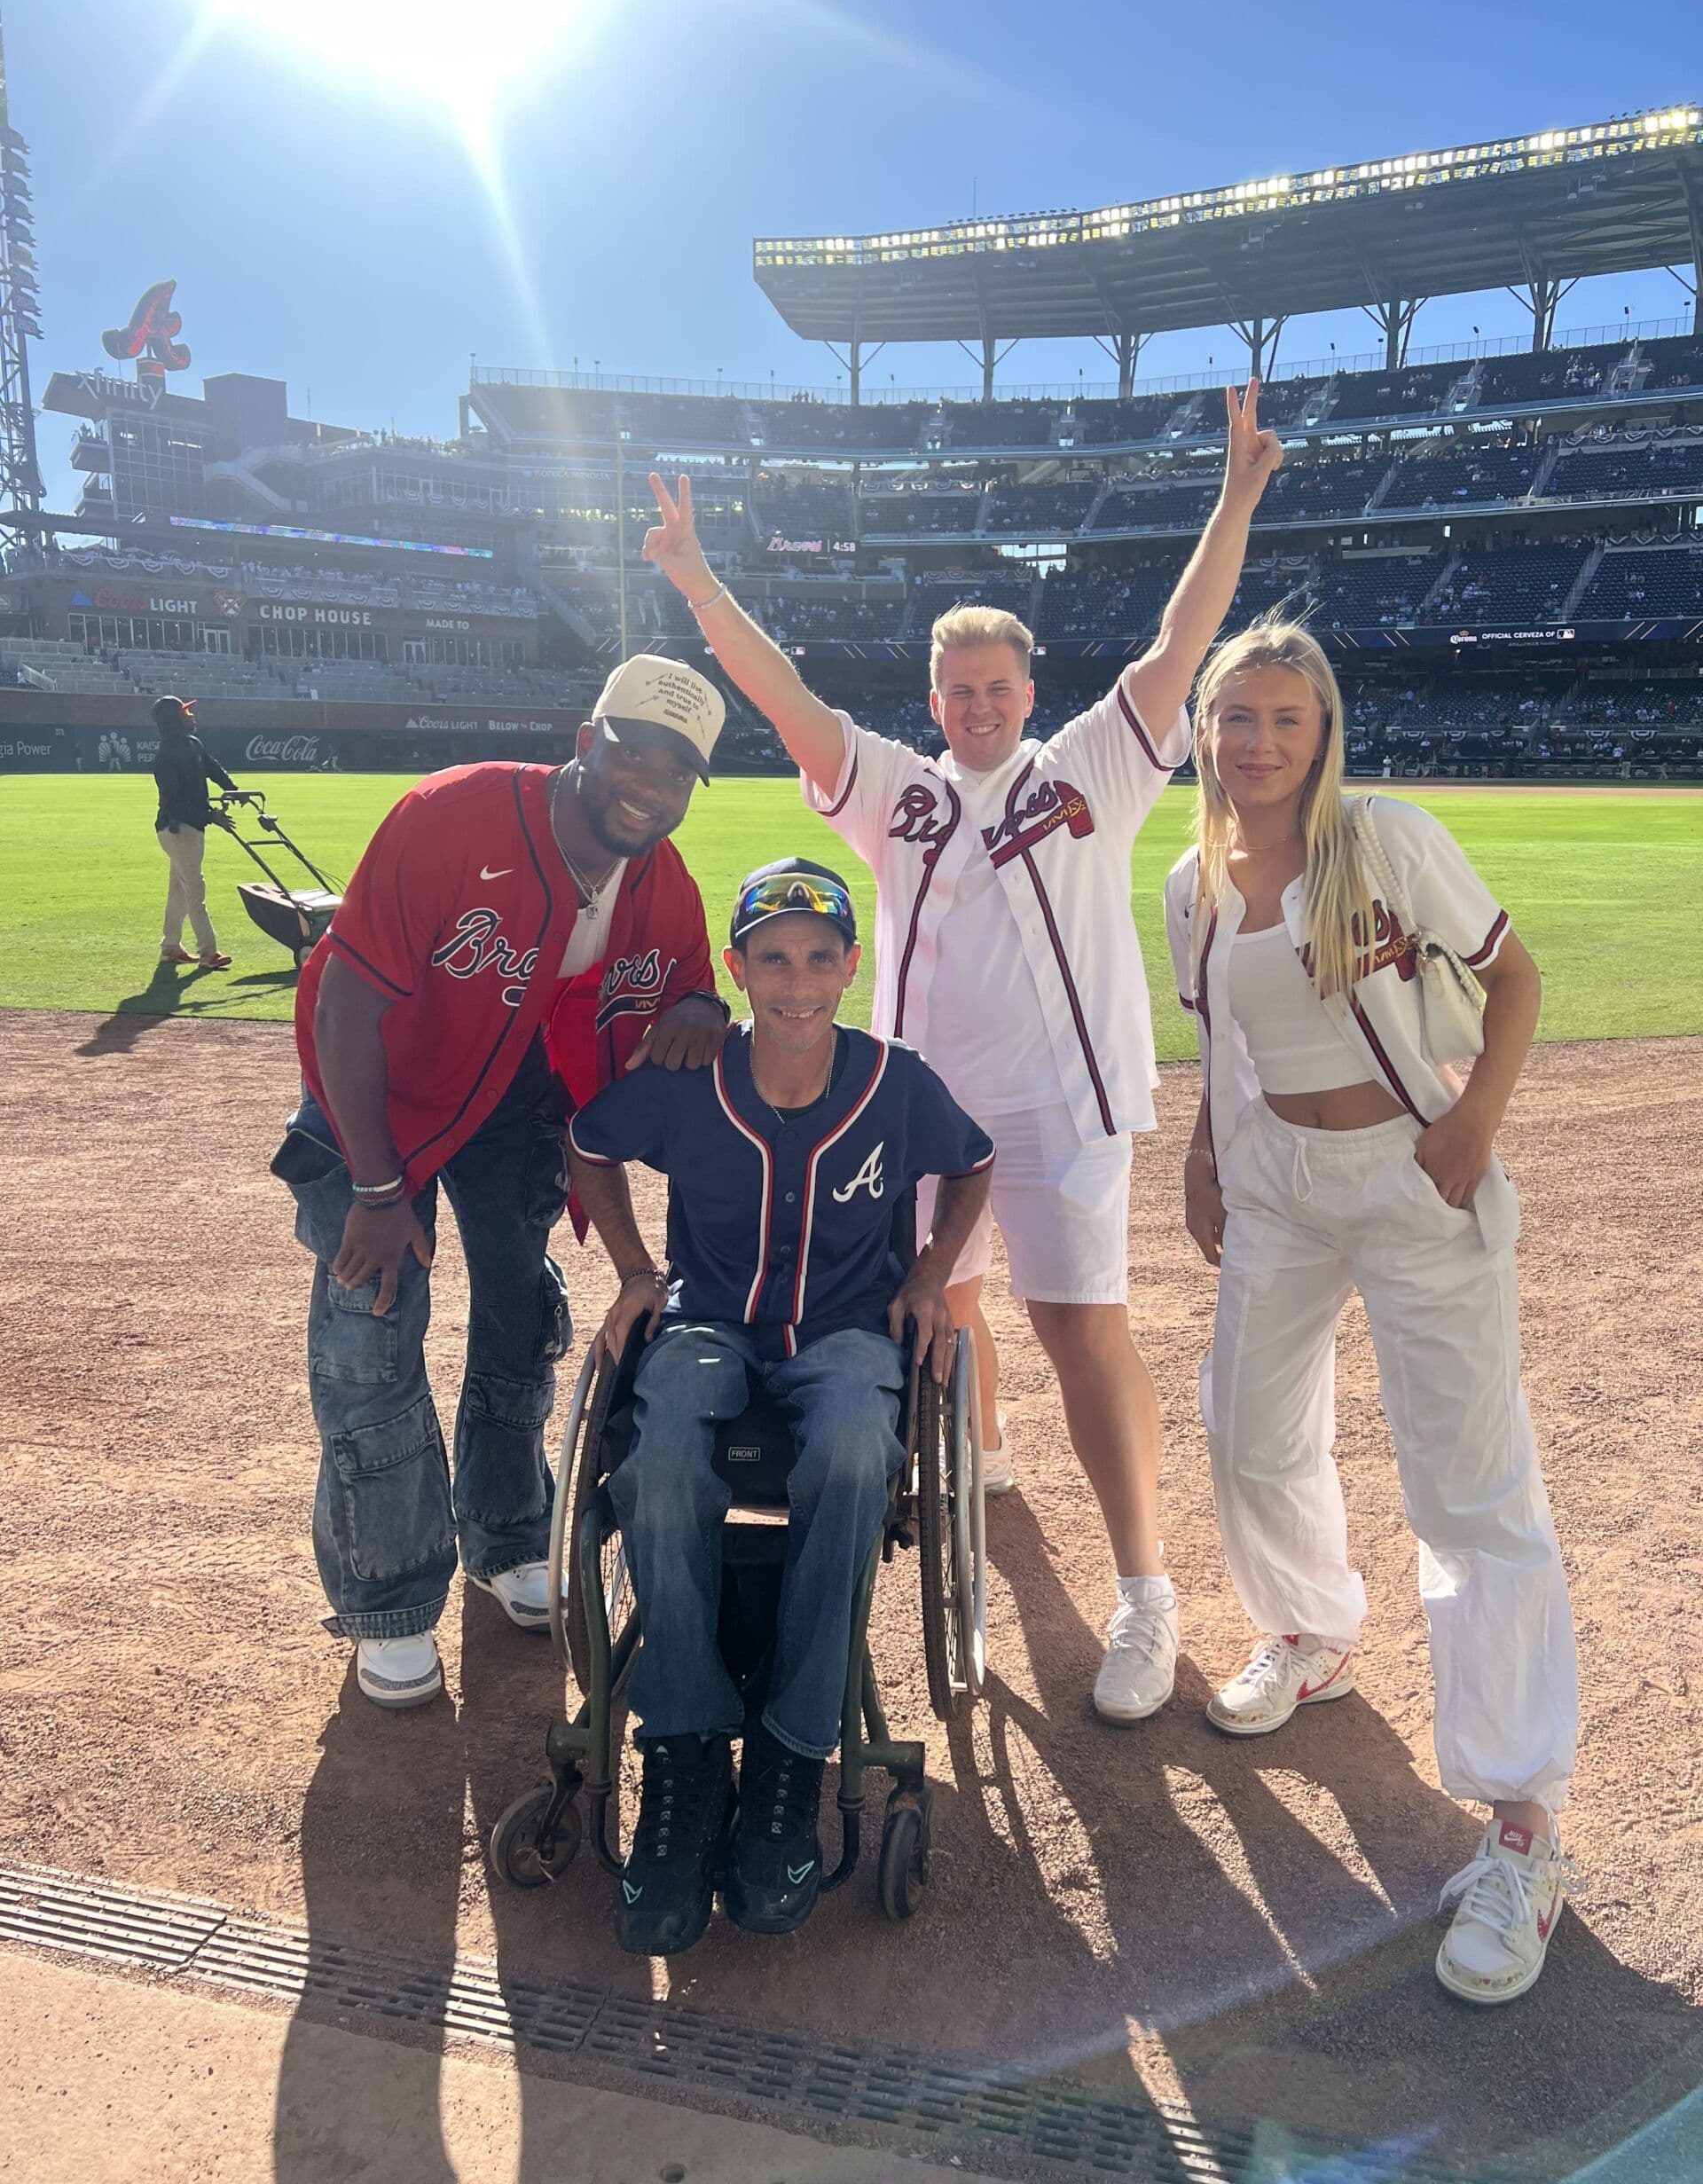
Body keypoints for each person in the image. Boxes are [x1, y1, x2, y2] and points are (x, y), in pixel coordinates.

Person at [640, 385, 1283, 1724]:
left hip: (1066, 1105)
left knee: (1079, 1326)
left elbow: (1181, 640)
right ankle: (979, 1474)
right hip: (919, 1114)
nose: (981, 706)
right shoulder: (897, 789)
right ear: (934, 698)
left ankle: (1146, 1590)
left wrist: (1232, 502)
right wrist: (699, 585)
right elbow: (788, 697)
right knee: (946, 1310)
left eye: (1000, 689)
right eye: (959, 690)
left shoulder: (1095, 766)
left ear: (1028, 694)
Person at [1163, 622, 1580, 2007]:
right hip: (1275, 1180)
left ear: (1323, 730)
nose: (1258, 744)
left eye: (1285, 719)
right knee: (1243, 1427)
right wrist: (1207, 1157)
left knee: (1468, 1489)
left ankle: (1521, 1821)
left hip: (1409, 1171)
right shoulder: (1191, 884)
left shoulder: (1386, 841)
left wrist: (1472, 1126)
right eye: (1237, 720)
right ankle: (1313, 1628)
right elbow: (1225, 1043)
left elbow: (1513, 981)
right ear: (1207, 731)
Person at [272, 656, 732, 1709]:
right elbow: (344, 1007)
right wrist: (383, 1196)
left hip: (513, 1108)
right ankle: (388, 1596)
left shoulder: (662, 885)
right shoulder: (452, 817)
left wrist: (701, 1003)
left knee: (522, 1317)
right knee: (372, 1319)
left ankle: (508, 1533)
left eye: (677, 773)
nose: (650, 786)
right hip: (370, 1095)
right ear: (586, 739)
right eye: (633, 754)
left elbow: (690, 985)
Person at [564, 859, 993, 1956]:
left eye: (818, 957)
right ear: (737, 968)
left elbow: (974, 1165)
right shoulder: (689, 1075)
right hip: (711, 1322)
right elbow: (588, 1143)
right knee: (657, 1460)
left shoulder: (896, 1081)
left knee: (857, 1447)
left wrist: (931, 1272)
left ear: (851, 965)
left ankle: (794, 1754)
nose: (796, 981)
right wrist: (630, 1267)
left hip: (849, 1333)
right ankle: (689, 1752)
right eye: (772, 958)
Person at [151, 695, 237, 970]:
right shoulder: (165, 757)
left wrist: (233, 788)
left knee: (179, 887)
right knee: (194, 888)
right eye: (185, 714)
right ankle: (208, 953)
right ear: (174, 720)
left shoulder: (193, 744)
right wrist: (211, 815)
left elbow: (211, 767)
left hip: (188, 828)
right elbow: (175, 803)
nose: (192, 717)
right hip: (177, 828)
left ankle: (170, 947)